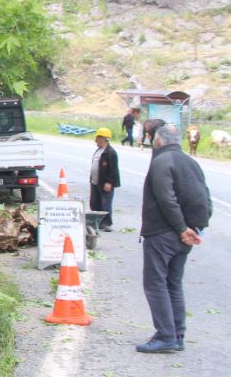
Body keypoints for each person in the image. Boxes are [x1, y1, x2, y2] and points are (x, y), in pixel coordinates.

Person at [136, 124, 212, 354]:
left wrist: (181, 228)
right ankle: (177, 334)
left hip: (164, 232)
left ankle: (166, 335)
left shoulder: (161, 162)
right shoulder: (191, 162)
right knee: (173, 283)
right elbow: (205, 196)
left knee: (155, 282)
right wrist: (195, 228)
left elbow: (166, 199)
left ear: (157, 141)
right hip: (187, 233)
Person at [88, 127, 120, 231]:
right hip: (95, 181)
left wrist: (109, 182)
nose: (95, 141)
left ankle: (106, 223)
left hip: (105, 183)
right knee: (94, 202)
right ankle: (96, 222)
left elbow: (113, 169)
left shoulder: (111, 152)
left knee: (106, 203)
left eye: (97, 138)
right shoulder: (98, 151)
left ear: (103, 138)